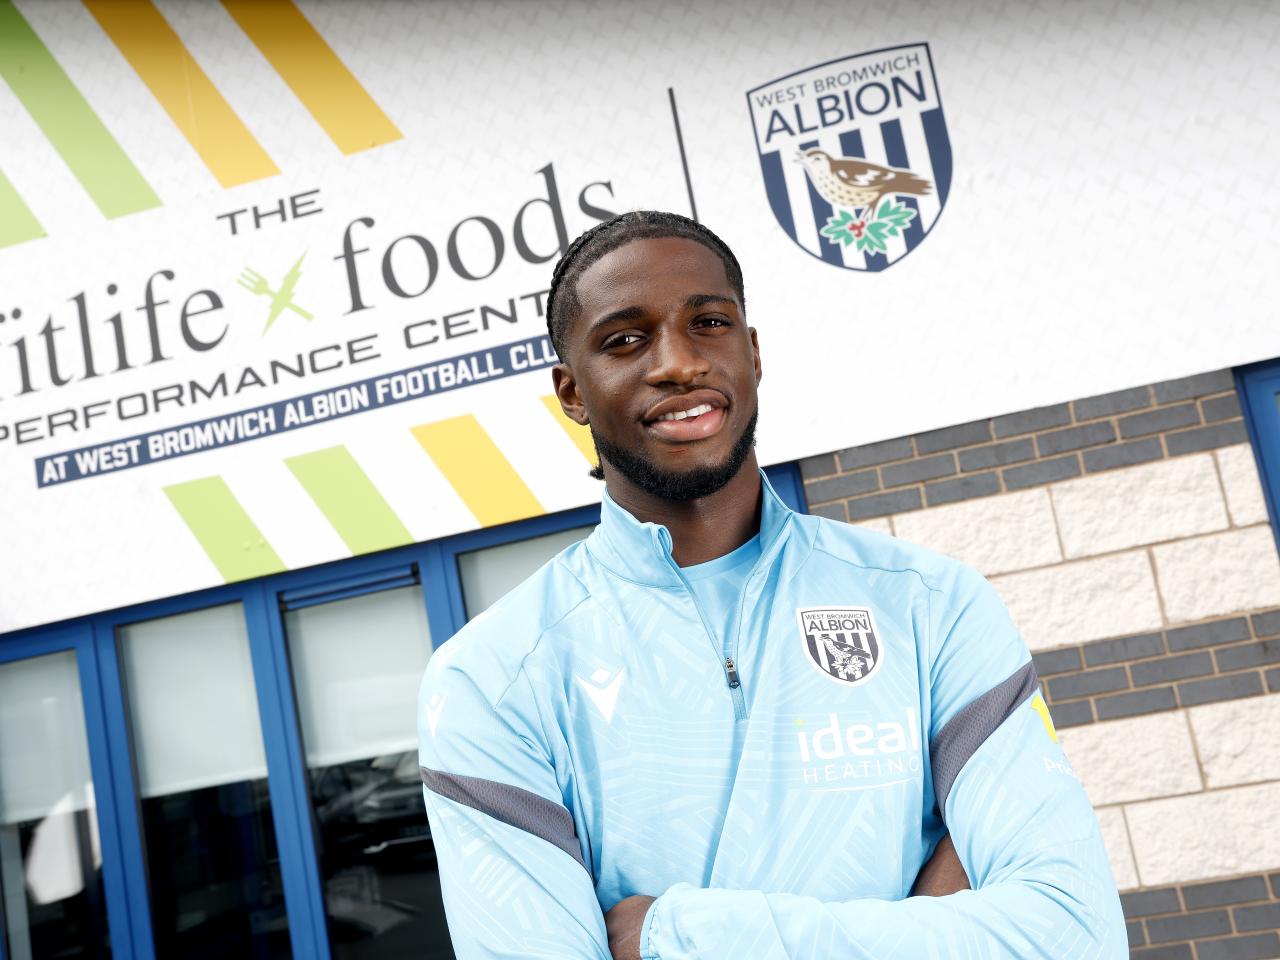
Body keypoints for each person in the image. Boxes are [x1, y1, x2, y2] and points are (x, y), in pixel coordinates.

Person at [417, 211, 1127, 959]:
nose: (677, 363)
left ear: (752, 353)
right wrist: (934, 922)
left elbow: (1074, 936)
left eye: (709, 323)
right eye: (625, 340)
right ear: (572, 392)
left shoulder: (929, 605)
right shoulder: (492, 680)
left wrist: (682, 934)